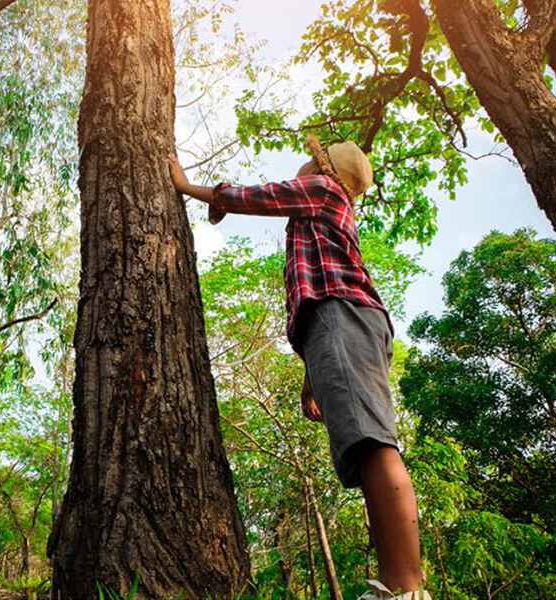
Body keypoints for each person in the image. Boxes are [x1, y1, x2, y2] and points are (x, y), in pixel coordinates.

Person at [167, 136, 430, 600]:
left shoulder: (323, 190)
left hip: (344, 316)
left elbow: (262, 196)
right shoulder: (324, 210)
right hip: (342, 322)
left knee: (374, 446)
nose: (304, 162)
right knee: (365, 451)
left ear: (325, 169)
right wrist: (312, 378)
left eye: (312, 158)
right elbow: (319, 303)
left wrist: (191, 188)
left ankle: (408, 588)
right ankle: (393, 584)